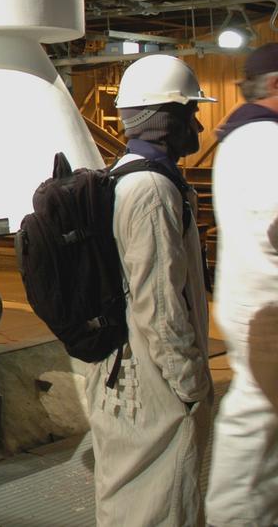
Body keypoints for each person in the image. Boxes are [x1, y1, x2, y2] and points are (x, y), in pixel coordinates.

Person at [87, 54, 215, 526]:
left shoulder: (127, 178)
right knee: (160, 506)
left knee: (130, 499)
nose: (197, 126)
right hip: (154, 380)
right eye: (189, 113)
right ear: (163, 118)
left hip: (127, 370)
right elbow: (158, 304)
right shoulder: (151, 191)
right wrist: (190, 382)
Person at [206, 42, 278, 527]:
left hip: (254, 306)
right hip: (267, 314)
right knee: (256, 431)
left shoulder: (246, 139)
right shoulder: (263, 142)